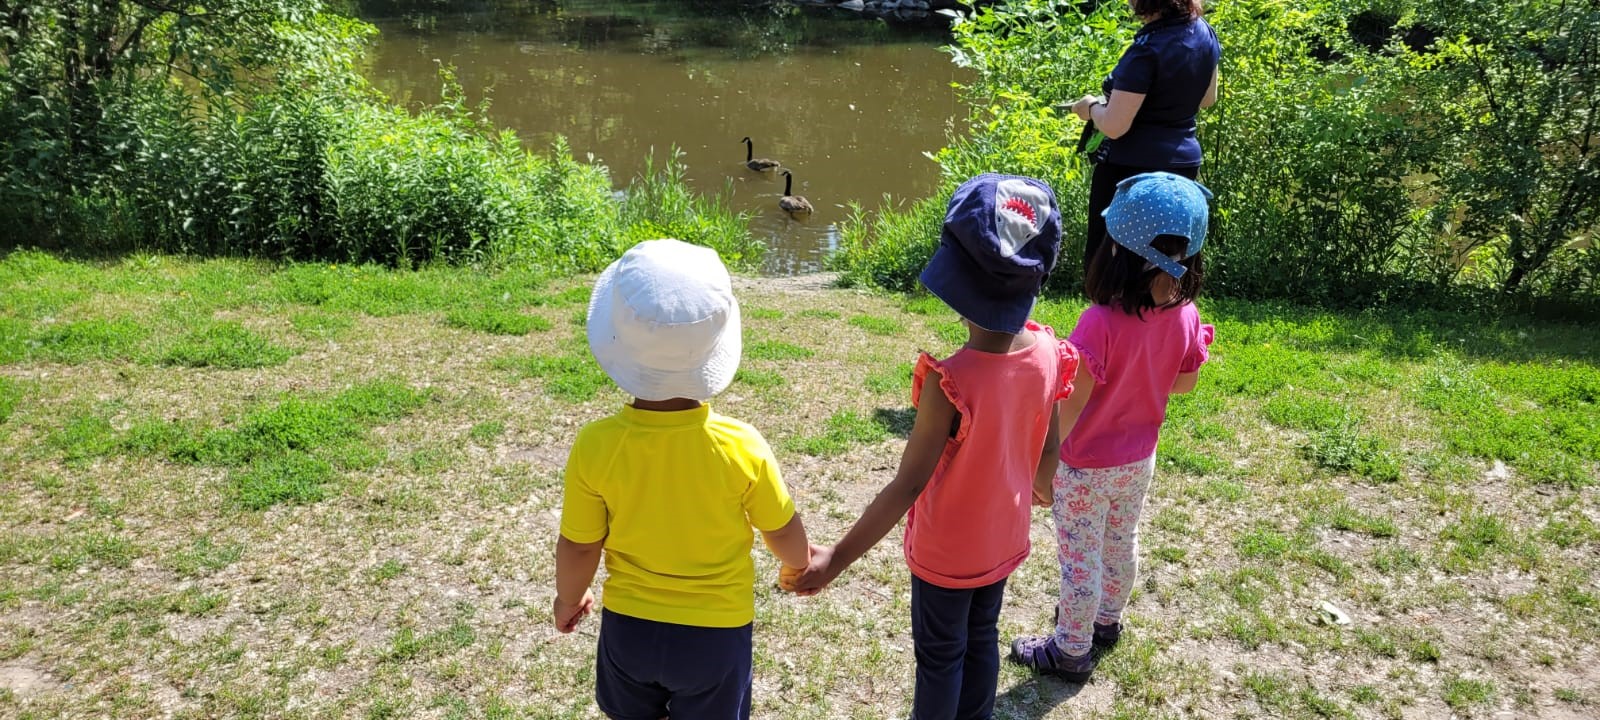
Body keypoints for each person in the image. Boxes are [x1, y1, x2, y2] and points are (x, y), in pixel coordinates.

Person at [787, 174, 1078, 720]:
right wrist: (1038, 489)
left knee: (941, 658)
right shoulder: (1048, 352)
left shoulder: (951, 383)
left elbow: (908, 483)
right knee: (983, 636)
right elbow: (1049, 451)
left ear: (959, 284)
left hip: (947, 555)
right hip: (1003, 539)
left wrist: (837, 558)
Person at [552, 238, 812, 720]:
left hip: (630, 629)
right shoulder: (742, 445)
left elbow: (580, 545)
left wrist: (570, 597)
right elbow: (781, 529)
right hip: (717, 636)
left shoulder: (597, 445)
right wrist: (799, 565)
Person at [1008, 172, 1216, 683]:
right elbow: (1183, 385)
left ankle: (1070, 650)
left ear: (1116, 252)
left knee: (1080, 561)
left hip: (1083, 468)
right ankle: (1105, 622)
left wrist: (1041, 465)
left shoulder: (1099, 323)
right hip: (1138, 460)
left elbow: (1071, 407)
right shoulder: (1185, 314)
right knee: (1121, 542)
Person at [1068, 0, 1220, 275]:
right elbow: (1208, 99)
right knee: (1167, 263)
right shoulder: (1204, 32)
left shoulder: (1147, 50)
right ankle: (1168, 318)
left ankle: (1110, 318)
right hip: (1183, 168)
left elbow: (1114, 126)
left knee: (1112, 266)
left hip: (1131, 173)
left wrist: (1090, 108)